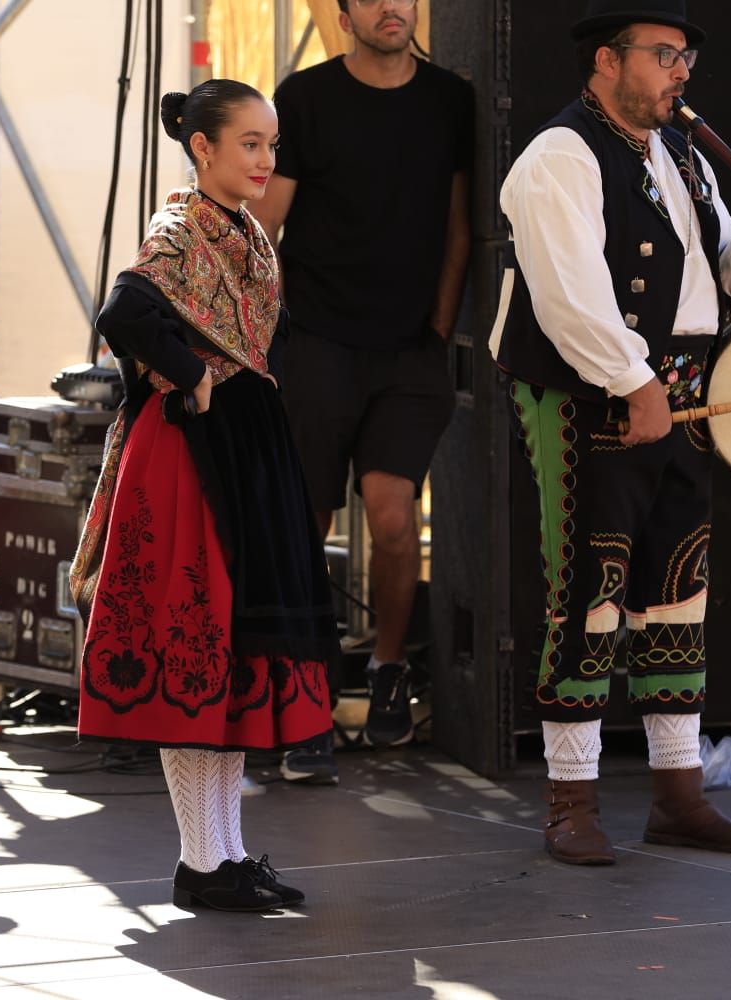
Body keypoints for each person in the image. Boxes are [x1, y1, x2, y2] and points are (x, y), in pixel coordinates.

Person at [491, 0, 731, 865]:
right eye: (664, 55)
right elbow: (568, 295)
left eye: (686, 60)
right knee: (589, 589)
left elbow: (717, 281)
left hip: (680, 392)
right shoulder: (560, 154)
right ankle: (570, 802)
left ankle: (678, 796)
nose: (680, 73)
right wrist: (634, 384)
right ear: (607, 59)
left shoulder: (680, 158)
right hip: (589, 393)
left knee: (677, 588)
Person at [69, 80, 339, 911]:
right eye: (249, 144)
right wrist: (195, 377)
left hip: (241, 448)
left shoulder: (246, 231)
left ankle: (222, 856)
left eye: (271, 145)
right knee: (195, 638)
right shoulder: (179, 224)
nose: (264, 159)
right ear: (203, 147)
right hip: (189, 451)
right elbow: (124, 310)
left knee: (231, 650)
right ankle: (201, 860)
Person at [248, 0, 472, 782]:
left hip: (410, 355)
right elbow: (263, 230)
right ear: (342, 13)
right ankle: (304, 697)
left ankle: (385, 673)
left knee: (392, 516)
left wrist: (439, 330)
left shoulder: (452, 99)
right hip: (314, 348)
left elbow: (458, 228)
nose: (394, 6)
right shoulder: (304, 98)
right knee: (305, 522)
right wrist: (254, 336)